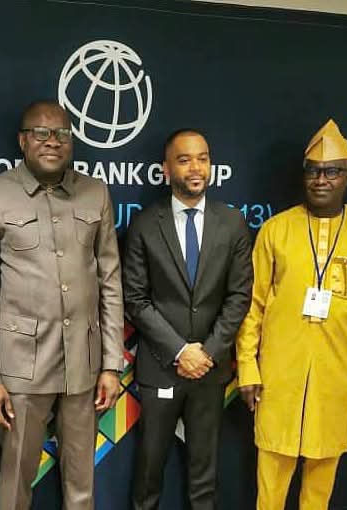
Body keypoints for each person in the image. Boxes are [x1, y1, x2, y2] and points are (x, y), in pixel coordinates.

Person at [0, 100, 124, 510]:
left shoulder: (95, 193)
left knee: (82, 483)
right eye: (41, 133)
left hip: (83, 366)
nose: (52, 141)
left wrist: (111, 364)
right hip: (19, 370)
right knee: (16, 481)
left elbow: (110, 282)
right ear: (23, 141)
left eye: (62, 134)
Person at [236, 119, 347, 510]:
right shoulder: (276, 230)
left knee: (321, 481)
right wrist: (247, 368)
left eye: (332, 172)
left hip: (337, 378)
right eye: (313, 171)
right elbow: (252, 306)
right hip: (279, 376)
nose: (321, 180)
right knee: (271, 480)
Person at [123, 129, 253, 510]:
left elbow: (239, 296)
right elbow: (135, 299)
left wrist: (207, 352)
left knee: (204, 475)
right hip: (161, 368)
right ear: (166, 169)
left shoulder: (232, 223)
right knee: (149, 470)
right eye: (184, 160)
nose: (196, 168)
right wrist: (181, 351)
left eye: (203, 158)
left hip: (210, 371)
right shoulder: (145, 224)